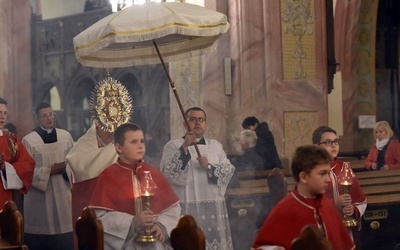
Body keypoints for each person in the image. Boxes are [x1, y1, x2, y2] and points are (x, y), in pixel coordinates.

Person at [89, 123, 181, 249]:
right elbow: (100, 218)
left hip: (155, 243)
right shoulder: (108, 176)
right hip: (125, 243)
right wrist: (132, 222)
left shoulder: (154, 174)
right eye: (133, 142)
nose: (140, 146)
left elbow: (173, 209)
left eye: (142, 141)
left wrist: (162, 226)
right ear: (119, 147)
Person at [252, 145, 355, 250]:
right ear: (304, 177)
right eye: (322, 173)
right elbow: (262, 246)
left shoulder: (327, 206)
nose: (328, 179)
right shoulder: (284, 210)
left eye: (328, 173)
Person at [160, 107, 235, 250]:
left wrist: (210, 166)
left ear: (206, 123)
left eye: (201, 119)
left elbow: (229, 171)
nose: (197, 123)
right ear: (184, 124)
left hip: (212, 206)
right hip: (186, 204)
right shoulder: (172, 146)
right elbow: (169, 173)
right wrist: (185, 146)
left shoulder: (216, 146)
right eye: (193, 119)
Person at [22, 102, 74, 250]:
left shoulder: (65, 136)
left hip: (62, 191)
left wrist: (66, 168)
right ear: (37, 118)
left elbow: (74, 161)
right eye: (44, 116)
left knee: (64, 238)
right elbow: (24, 171)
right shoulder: (29, 140)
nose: (49, 118)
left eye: (51, 114)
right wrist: (48, 171)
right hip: (40, 199)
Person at [66, 119, 118, 248]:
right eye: (107, 125)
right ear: (97, 124)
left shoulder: (123, 143)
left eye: (115, 125)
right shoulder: (84, 145)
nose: (111, 130)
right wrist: (115, 149)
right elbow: (78, 165)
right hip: (92, 205)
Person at [312, 126, 367, 227]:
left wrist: (352, 209)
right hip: (321, 229)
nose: (334, 146)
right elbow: (308, 205)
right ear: (316, 147)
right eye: (328, 142)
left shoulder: (345, 168)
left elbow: (360, 202)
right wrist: (334, 203)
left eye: (336, 141)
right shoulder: (310, 171)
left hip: (344, 229)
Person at [0, 97, 35, 210]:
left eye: (5, 113)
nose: (2, 117)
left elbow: (27, 164)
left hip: (5, 197)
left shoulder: (11, 139)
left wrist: (5, 166)